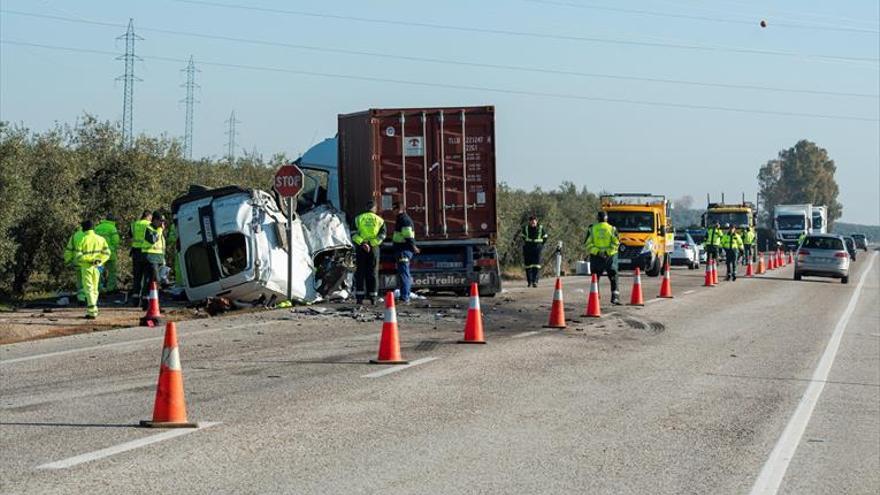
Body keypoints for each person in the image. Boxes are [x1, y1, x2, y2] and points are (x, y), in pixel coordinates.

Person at [351, 201, 386, 305]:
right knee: (373, 272)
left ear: (366, 207)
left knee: (360, 272)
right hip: (374, 249)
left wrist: (363, 243)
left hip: (361, 248)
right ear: (374, 208)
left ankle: (360, 298)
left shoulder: (358, 218)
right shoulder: (380, 220)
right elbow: (382, 235)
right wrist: (371, 244)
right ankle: (373, 297)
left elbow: (353, 234)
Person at [74, 220, 111, 319]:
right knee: (95, 288)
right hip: (98, 266)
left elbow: (78, 256)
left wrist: (90, 260)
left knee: (88, 288)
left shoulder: (82, 239)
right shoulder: (101, 239)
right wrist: (99, 260)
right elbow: (107, 253)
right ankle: (94, 309)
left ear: (83, 228)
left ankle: (92, 310)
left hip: (87, 266)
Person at [585, 211, 621, 305]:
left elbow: (587, 244)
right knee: (613, 277)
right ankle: (615, 298)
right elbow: (616, 243)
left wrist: (598, 252)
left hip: (596, 257)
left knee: (595, 278)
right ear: (606, 218)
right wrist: (607, 252)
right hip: (610, 258)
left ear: (598, 218)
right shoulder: (612, 229)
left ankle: (595, 297)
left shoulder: (592, 229)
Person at [391, 202, 420, 303]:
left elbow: (407, 235)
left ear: (399, 209)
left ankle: (405, 297)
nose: (392, 211)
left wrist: (413, 246)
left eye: (394, 209)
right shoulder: (401, 219)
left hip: (403, 250)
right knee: (403, 273)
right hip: (402, 249)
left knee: (404, 273)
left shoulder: (404, 219)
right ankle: (404, 295)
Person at [141, 211, 167, 308]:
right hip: (150, 257)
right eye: (161, 221)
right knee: (155, 280)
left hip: (158, 258)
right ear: (155, 220)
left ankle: (147, 301)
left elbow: (162, 245)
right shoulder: (149, 228)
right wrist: (160, 230)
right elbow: (153, 240)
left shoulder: (158, 230)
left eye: (163, 222)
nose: (162, 224)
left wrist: (163, 258)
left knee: (150, 280)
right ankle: (152, 303)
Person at [129, 210, 152, 307]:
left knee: (137, 277)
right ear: (148, 216)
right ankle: (145, 300)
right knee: (147, 277)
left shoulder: (134, 224)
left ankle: (135, 300)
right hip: (147, 253)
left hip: (136, 253)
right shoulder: (150, 225)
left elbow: (130, 236)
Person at [94, 214, 121, 292]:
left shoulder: (97, 227)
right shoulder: (112, 228)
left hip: (98, 254)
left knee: (98, 271)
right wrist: (113, 249)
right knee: (112, 271)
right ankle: (110, 288)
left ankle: (99, 288)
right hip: (110, 254)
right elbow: (116, 241)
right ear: (113, 221)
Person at [521, 215, 548, 287]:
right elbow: (523, 237)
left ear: (536, 221)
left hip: (537, 248)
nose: (533, 222)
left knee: (536, 265)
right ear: (529, 222)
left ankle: (535, 281)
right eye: (531, 220)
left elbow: (545, 237)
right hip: (528, 248)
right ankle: (529, 281)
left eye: (534, 220)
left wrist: (541, 245)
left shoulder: (541, 228)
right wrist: (527, 243)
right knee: (528, 266)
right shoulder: (526, 228)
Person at [63, 225, 86, 305]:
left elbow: (69, 249)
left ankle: (81, 298)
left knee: (80, 282)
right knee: (89, 281)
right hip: (89, 262)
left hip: (77, 262)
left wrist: (68, 260)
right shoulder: (92, 235)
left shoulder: (75, 235)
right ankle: (88, 298)